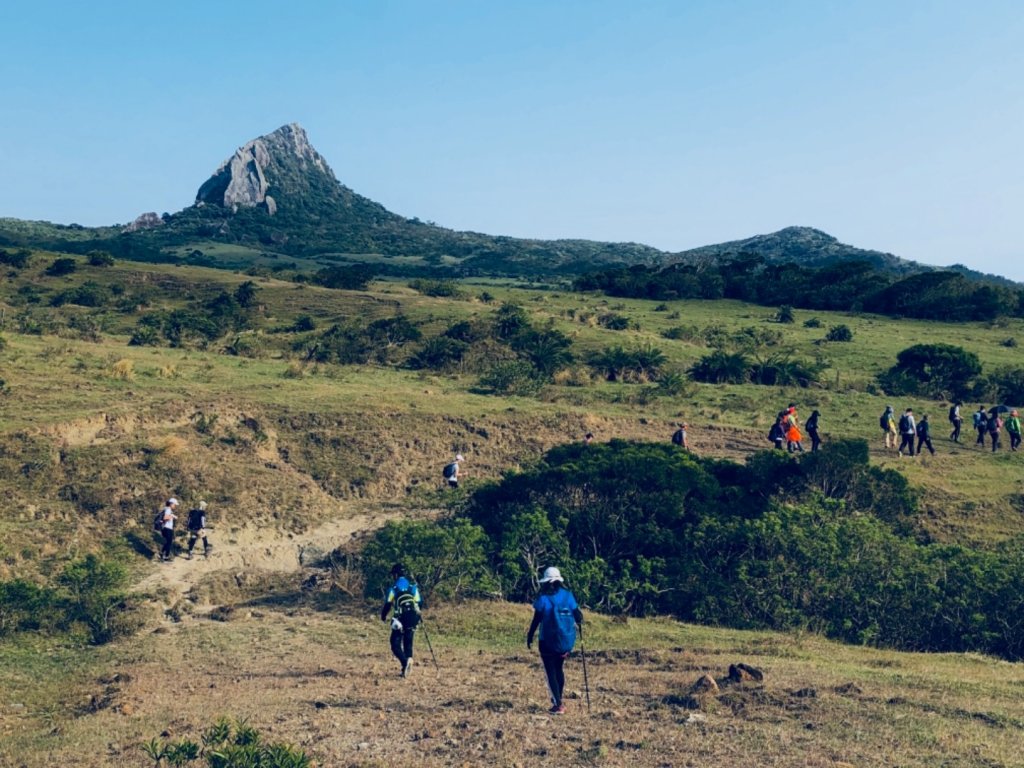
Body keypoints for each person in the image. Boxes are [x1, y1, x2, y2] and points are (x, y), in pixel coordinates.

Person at [526, 567, 583, 715]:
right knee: (559, 668)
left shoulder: (543, 598)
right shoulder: (568, 596)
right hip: (565, 642)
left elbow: (536, 619)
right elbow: (579, 616)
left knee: (550, 671)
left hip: (547, 642)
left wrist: (530, 635)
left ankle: (558, 704)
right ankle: (559, 699)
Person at [380, 563, 421, 677]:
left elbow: (388, 604)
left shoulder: (393, 588)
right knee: (408, 643)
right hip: (413, 617)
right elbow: (419, 602)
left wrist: (383, 616)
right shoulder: (412, 587)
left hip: (400, 618)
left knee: (395, 644)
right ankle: (406, 670)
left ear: (396, 575)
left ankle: (404, 662)